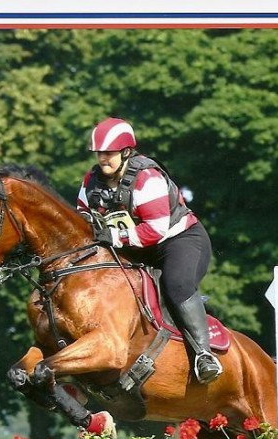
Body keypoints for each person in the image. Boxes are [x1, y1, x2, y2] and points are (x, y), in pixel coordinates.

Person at [76, 117, 222, 384]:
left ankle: (204, 354)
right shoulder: (91, 181)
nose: (102, 159)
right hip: (134, 245)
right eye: (99, 153)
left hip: (178, 241)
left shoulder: (147, 179)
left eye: (108, 153)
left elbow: (154, 231)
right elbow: (82, 217)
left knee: (175, 285)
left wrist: (114, 236)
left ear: (126, 152)